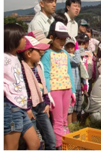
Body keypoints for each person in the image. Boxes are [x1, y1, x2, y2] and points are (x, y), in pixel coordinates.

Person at [4, 23, 40, 150]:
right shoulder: (3, 58)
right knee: (11, 147)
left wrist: (26, 107)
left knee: (35, 143)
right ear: (13, 39)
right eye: (22, 37)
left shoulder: (15, 57)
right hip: (10, 107)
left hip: (20, 107)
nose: (25, 40)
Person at [41, 21, 76, 150]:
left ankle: (66, 142)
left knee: (65, 119)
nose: (62, 42)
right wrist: (48, 92)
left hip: (66, 89)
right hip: (54, 90)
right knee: (58, 120)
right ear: (51, 37)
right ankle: (59, 145)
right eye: (59, 39)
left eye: (64, 39)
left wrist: (72, 90)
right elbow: (45, 73)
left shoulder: (65, 53)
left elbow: (69, 72)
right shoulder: (47, 54)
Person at [17, 36, 56, 150]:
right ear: (29, 53)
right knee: (34, 142)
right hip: (30, 110)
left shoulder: (38, 67)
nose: (41, 53)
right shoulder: (22, 69)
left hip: (41, 106)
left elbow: (43, 88)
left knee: (51, 139)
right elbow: (23, 91)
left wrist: (47, 103)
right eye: (38, 51)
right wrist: (28, 108)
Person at [64, 37, 83, 124]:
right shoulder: (66, 56)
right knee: (70, 107)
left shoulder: (73, 56)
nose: (70, 49)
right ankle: (70, 124)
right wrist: (77, 49)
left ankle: (75, 121)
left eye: (72, 47)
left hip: (77, 84)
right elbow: (77, 61)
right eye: (68, 47)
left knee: (76, 106)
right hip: (71, 86)